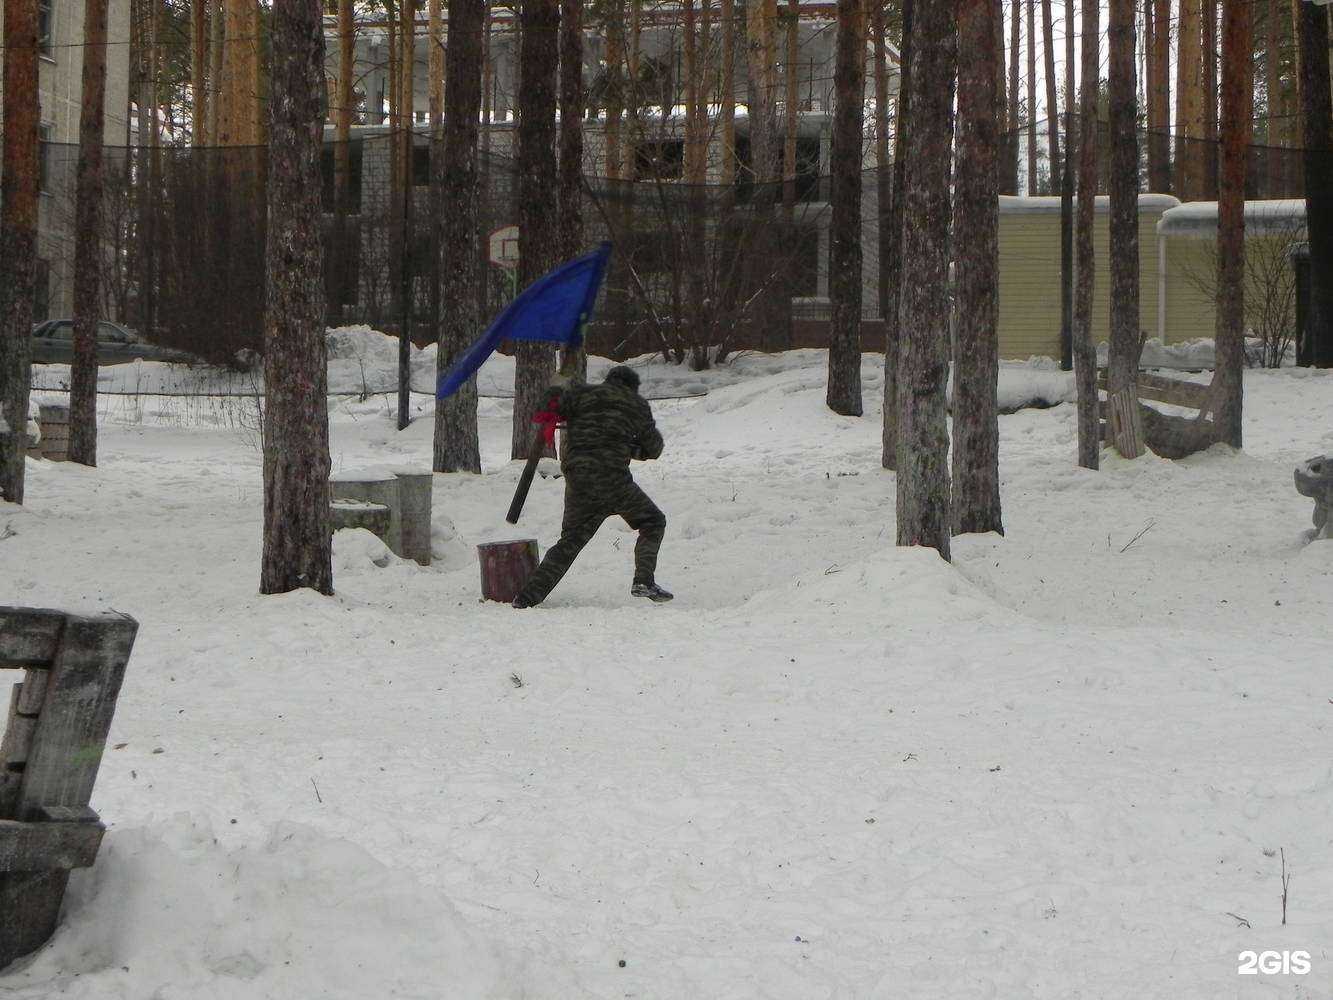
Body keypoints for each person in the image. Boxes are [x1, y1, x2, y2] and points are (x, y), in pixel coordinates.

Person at [513, 366, 672, 607]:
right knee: (653, 522)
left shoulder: (580, 394)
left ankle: (525, 599)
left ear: (607, 381)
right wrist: (626, 444)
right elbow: (654, 449)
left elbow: (544, 410)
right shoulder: (635, 403)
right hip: (613, 480)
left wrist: (555, 388)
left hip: (578, 479)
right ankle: (643, 581)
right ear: (632, 387)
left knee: (569, 542)